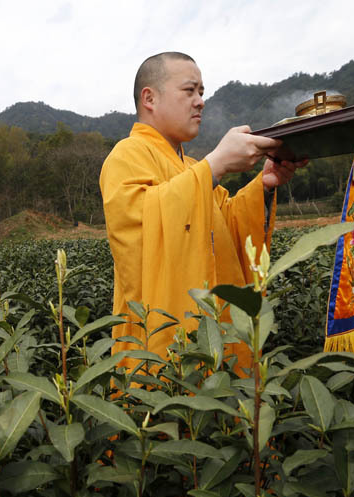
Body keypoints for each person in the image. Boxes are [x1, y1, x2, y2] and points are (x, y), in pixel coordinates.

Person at [100, 52, 306, 372]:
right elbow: (138, 228)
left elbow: (231, 227)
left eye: (202, 92)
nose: (200, 101)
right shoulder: (126, 155)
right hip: (162, 345)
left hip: (218, 335)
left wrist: (265, 185)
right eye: (189, 90)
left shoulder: (192, 168)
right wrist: (216, 165)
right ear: (149, 97)